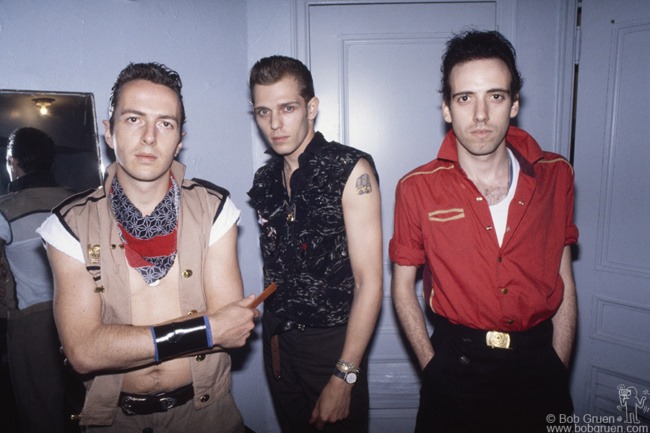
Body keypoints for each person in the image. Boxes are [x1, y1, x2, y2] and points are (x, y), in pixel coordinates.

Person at [37, 62, 259, 432]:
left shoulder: (215, 209)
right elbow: (84, 352)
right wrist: (207, 330)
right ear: (109, 132)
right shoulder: (68, 225)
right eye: (134, 119)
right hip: (116, 420)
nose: (150, 137)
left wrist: (120, 341)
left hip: (207, 416)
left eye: (165, 123)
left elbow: (232, 332)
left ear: (180, 139)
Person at [389, 30, 578, 433]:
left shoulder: (556, 175)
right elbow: (402, 286)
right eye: (464, 98)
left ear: (513, 105)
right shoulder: (416, 187)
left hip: (538, 366)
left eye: (494, 96)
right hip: (455, 366)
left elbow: (563, 276)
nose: (479, 115)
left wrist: (557, 365)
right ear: (446, 108)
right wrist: (432, 367)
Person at [247, 55, 383, 432]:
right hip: (278, 343)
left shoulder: (350, 169)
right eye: (262, 111)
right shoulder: (266, 179)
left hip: (334, 346)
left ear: (311, 108)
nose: (274, 124)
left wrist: (344, 376)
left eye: (287, 108)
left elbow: (369, 282)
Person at [0, 127, 80, 433]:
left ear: (13, 161)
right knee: (85, 406)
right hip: (80, 314)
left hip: (32, 323)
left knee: (38, 413)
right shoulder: (75, 201)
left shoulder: (6, 209)